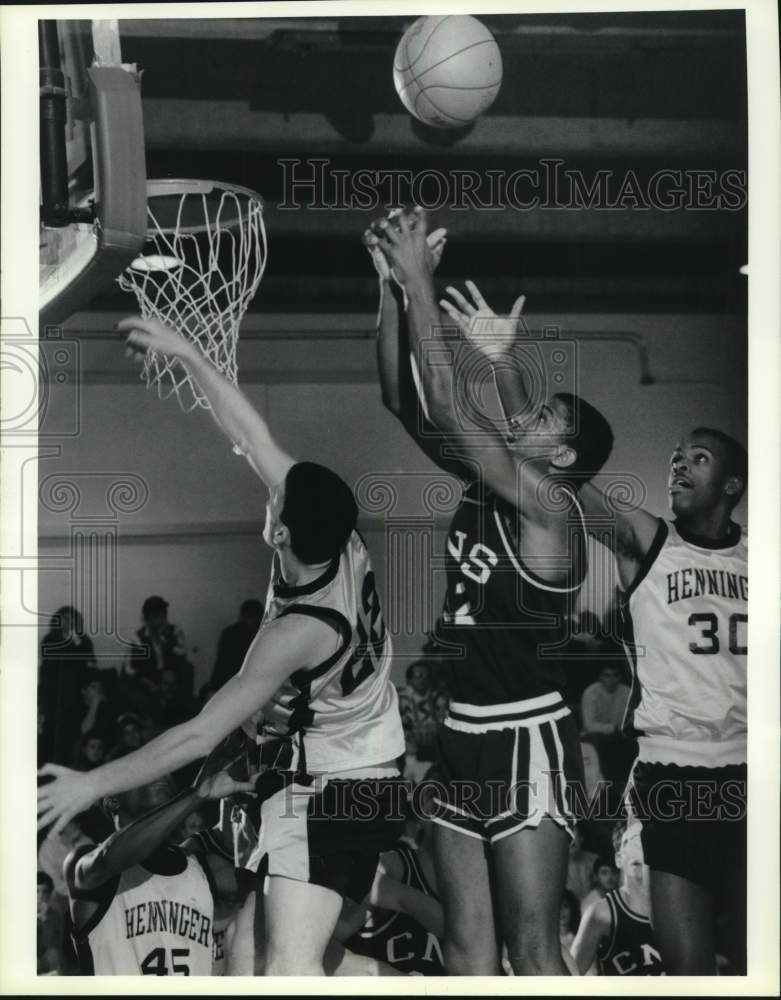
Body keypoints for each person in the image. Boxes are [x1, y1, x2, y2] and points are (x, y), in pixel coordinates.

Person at [38, 314, 406, 977]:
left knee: (287, 973)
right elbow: (251, 433)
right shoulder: (335, 534)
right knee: (241, 962)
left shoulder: (302, 630)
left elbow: (197, 737)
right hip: (327, 767)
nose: (270, 490)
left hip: (339, 787)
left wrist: (94, 782)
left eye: (276, 499)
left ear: (278, 533)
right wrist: (188, 353)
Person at [443, 281, 748, 975]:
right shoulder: (650, 542)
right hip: (674, 770)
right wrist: (504, 366)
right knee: (690, 967)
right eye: (675, 454)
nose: (677, 462)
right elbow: (559, 468)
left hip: (749, 769)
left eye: (697, 457)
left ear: (733, 484)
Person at [368, 209, 614, 975]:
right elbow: (403, 402)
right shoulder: (491, 487)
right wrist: (386, 292)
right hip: (461, 736)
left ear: (563, 454)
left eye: (541, 418)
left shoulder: (550, 507)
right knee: (469, 956)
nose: (523, 413)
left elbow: (449, 405)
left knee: (533, 953)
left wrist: (419, 281)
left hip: (525, 738)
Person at [63, 755, 256, 975]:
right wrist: (195, 796)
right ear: (112, 800)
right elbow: (109, 856)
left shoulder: (205, 866)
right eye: (146, 767)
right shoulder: (86, 862)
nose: (161, 771)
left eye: (165, 766)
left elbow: (276, 889)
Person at [571, 822, 664, 976]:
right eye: (631, 842)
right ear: (619, 859)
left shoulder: (675, 908)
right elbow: (570, 978)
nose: (637, 849)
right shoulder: (601, 913)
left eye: (643, 842)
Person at [38, 606, 96, 765]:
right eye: (65, 619)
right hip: (54, 689)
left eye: (73, 619)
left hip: (77, 689)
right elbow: (52, 666)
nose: (69, 622)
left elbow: (90, 665)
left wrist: (76, 642)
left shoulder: (84, 641)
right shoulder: (49, 640)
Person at [211, 599, 263, 690]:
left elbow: (221, 664)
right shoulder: (261, 634)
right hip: (250, 683)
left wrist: (214, 686)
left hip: (229, 682)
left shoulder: (229, 633)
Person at [37, 871, 65, 975]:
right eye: (37, 891)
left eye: (45, 892)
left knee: (53, 954)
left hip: (47, 964)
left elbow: (53, 946)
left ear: (49, 894)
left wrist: (44, 920)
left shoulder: (55, 916)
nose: (40, 896)